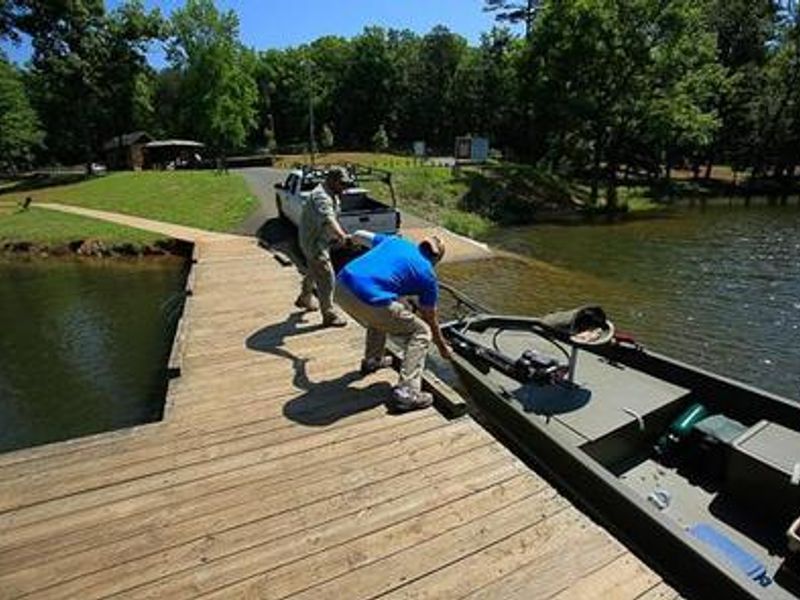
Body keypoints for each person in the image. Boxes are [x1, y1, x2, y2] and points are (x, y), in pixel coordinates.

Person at [334, 231, 452, 411]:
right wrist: (442, 346)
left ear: (421, 244)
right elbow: (430, 317)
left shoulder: (396, 242)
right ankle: (407, 392)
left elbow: (358, 235)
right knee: (421, 331)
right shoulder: (427, 274)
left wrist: (347, 239)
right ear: (436, 259)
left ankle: (373, 360)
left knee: (385, 309)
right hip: (367, 298)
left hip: (341, 286)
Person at [295, 167, 349, 327]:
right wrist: (342, 236)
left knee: (314, 269)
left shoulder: (332, 192)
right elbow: (328, 219)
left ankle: (304, 298)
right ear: (332, 181)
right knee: (326, 276)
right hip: (313, 242)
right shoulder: (321, 196)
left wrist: (334, 237)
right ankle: (329, 314)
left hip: (319, 239)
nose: (344, 188)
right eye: (342, 184)